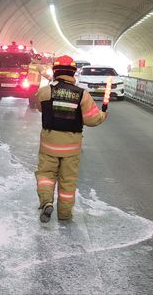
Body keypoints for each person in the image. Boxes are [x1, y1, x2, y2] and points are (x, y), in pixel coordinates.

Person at [34, 55, 107, 222]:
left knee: (45, 175)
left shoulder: (45, 91)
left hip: (48, 144)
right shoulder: (82, 95)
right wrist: (103, 115)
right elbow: (92, 120)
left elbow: (39, 108)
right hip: (71, 149)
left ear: (55, 71)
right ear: (73, 73)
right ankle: (65, 215)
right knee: (68, 182)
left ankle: (46, 202)